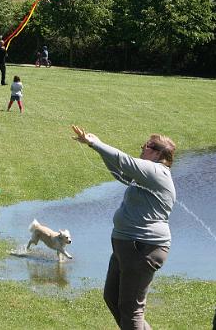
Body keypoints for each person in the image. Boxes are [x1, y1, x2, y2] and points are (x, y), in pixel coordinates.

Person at [71, 125, 176, 330]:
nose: (141, 148)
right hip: (127, 247)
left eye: (145, 146)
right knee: (111, 297)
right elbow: (121, 174)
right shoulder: (147, 175)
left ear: (157, 153)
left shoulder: (157, 171)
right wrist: (97, 149)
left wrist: (96, 143)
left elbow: (124, 161)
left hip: (142, 248)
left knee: (131, 310)